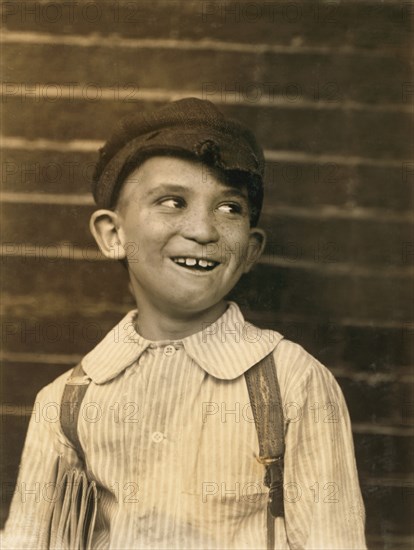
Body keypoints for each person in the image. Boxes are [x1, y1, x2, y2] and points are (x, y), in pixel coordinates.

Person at [2, 98, 366, 549]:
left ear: (251, 248)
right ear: (113, 235)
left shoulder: (293, 380)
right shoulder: (66, 402)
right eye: (172, 202)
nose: (203, 230)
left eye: (229, 208)